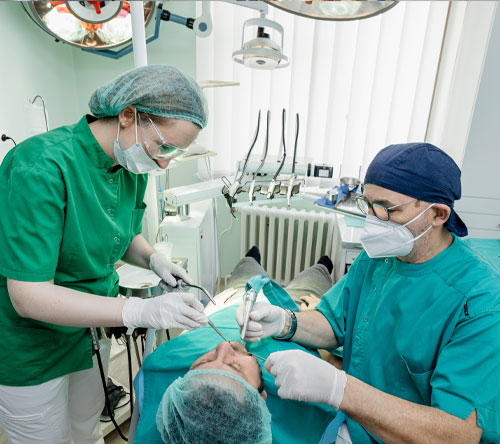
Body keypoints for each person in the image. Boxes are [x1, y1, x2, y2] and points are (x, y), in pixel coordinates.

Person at [0, 65, 210, 444]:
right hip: (31, 345)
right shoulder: (41, 165)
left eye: (174, 154)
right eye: (163, 147)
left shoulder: (131, 167)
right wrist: (136, 311)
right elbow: (28, 295)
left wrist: (154, 259)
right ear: (128, 115)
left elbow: (123, 236)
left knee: (86, 429)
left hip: (89, 333)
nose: (164, 163)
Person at [238, 143, 500, 443]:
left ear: (438, 214)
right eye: (368, 204)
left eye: (386, 209)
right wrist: (286, 321)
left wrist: (340, 389)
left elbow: (456, 435)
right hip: (351, 420)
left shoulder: (481, 304)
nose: (374, 219)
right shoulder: (382, 256)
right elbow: (336, 323)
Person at [132, 248, 338, 444]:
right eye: (235, 366)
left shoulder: (158, 372)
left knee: (247, 263)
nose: (224, 346)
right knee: (317, 273)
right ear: (261, 400)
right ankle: (323, 265)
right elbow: (341, 350)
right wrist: (314, 314)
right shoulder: (313, 404)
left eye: (203, 363)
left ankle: (253, 256)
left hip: (232, 298)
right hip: (298, 309)